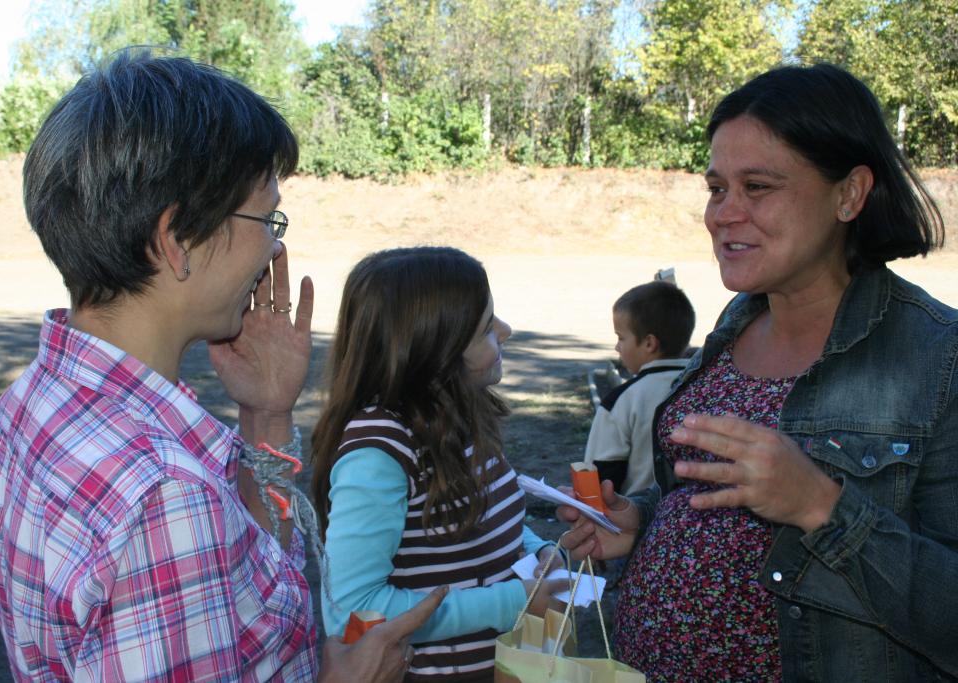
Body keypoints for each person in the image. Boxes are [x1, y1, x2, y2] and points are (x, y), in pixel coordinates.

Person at [0, 49, 443, 682]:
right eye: (266, 217)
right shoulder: (164, 494)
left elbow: (243, 573)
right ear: (177, 240)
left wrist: (266, 415)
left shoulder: (27, 406)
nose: (274, 245)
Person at [559, 63, 957, 681]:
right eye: (717, 188)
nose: (724, 214)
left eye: (758, 187)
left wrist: (820, 506)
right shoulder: (735, 324)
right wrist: (643, 522)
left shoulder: (939, 358)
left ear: (849, 194)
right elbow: (708, 491)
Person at [310, 247, 567, 682]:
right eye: (486, 327)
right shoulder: (379, 453)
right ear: (434, 353)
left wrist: (537, 549)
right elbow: (352, 609)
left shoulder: (456, 419)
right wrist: (515, 601)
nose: (506, 331)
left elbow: (478, 519)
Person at [583, 280, 695, 495]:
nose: (617, 347)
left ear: (649, 343)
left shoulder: (623, 400)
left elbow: (599, 476)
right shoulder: (707, 388)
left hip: (635, 514)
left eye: (621, 337)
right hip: (699, 511)